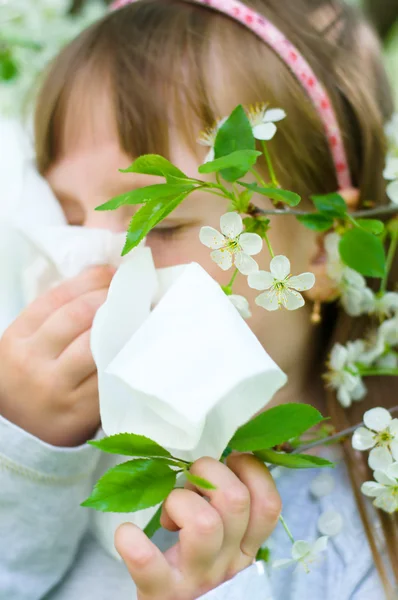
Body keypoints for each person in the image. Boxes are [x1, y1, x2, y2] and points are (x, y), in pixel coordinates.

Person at [0, 0, 397, 599]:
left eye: (160, 226)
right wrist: (31, 451)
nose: (95, 262)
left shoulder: (361, 537)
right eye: (67, 218)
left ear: (323, 249)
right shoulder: (52, 420)